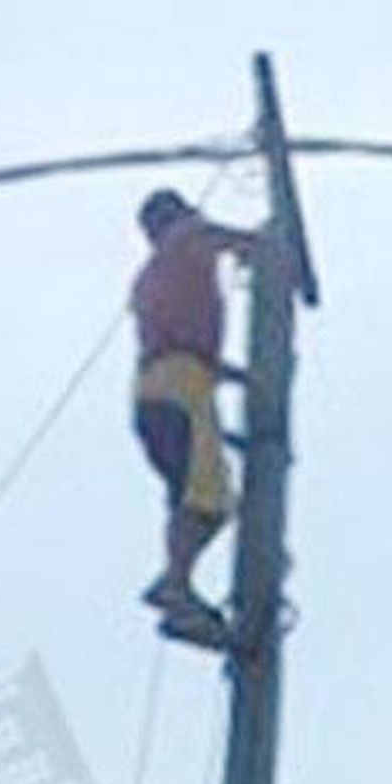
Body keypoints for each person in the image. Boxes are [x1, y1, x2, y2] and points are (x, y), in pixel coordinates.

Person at [129, 189, 260, 644]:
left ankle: (176, 587)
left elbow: (182, 340)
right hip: (181, 386)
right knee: (209, 501)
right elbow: (216, 237)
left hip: (155, 390)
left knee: (194, 498)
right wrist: (264, 246)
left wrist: (241, 378)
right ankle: (175, 586)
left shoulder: (153, 276)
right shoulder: (184, 240)